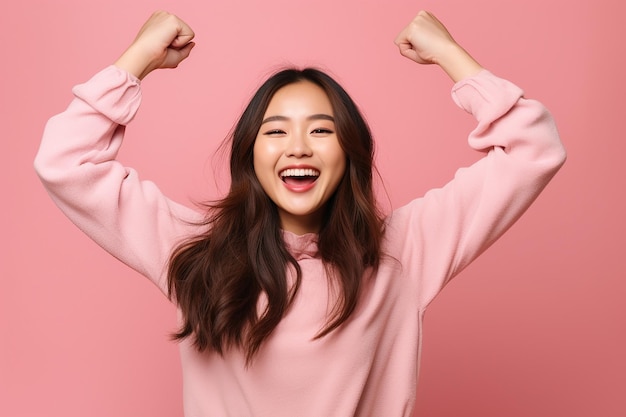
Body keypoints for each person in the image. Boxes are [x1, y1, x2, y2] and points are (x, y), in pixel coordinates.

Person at [34, 9, 566, 417]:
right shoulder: (193, 250)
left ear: (349, 151)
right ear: (250, 155)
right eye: (275, 131)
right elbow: (65, 162)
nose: (298, 147)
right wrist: (137, 59)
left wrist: (451, 55)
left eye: (320, 129)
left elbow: (533, 151)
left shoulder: (405, 251)